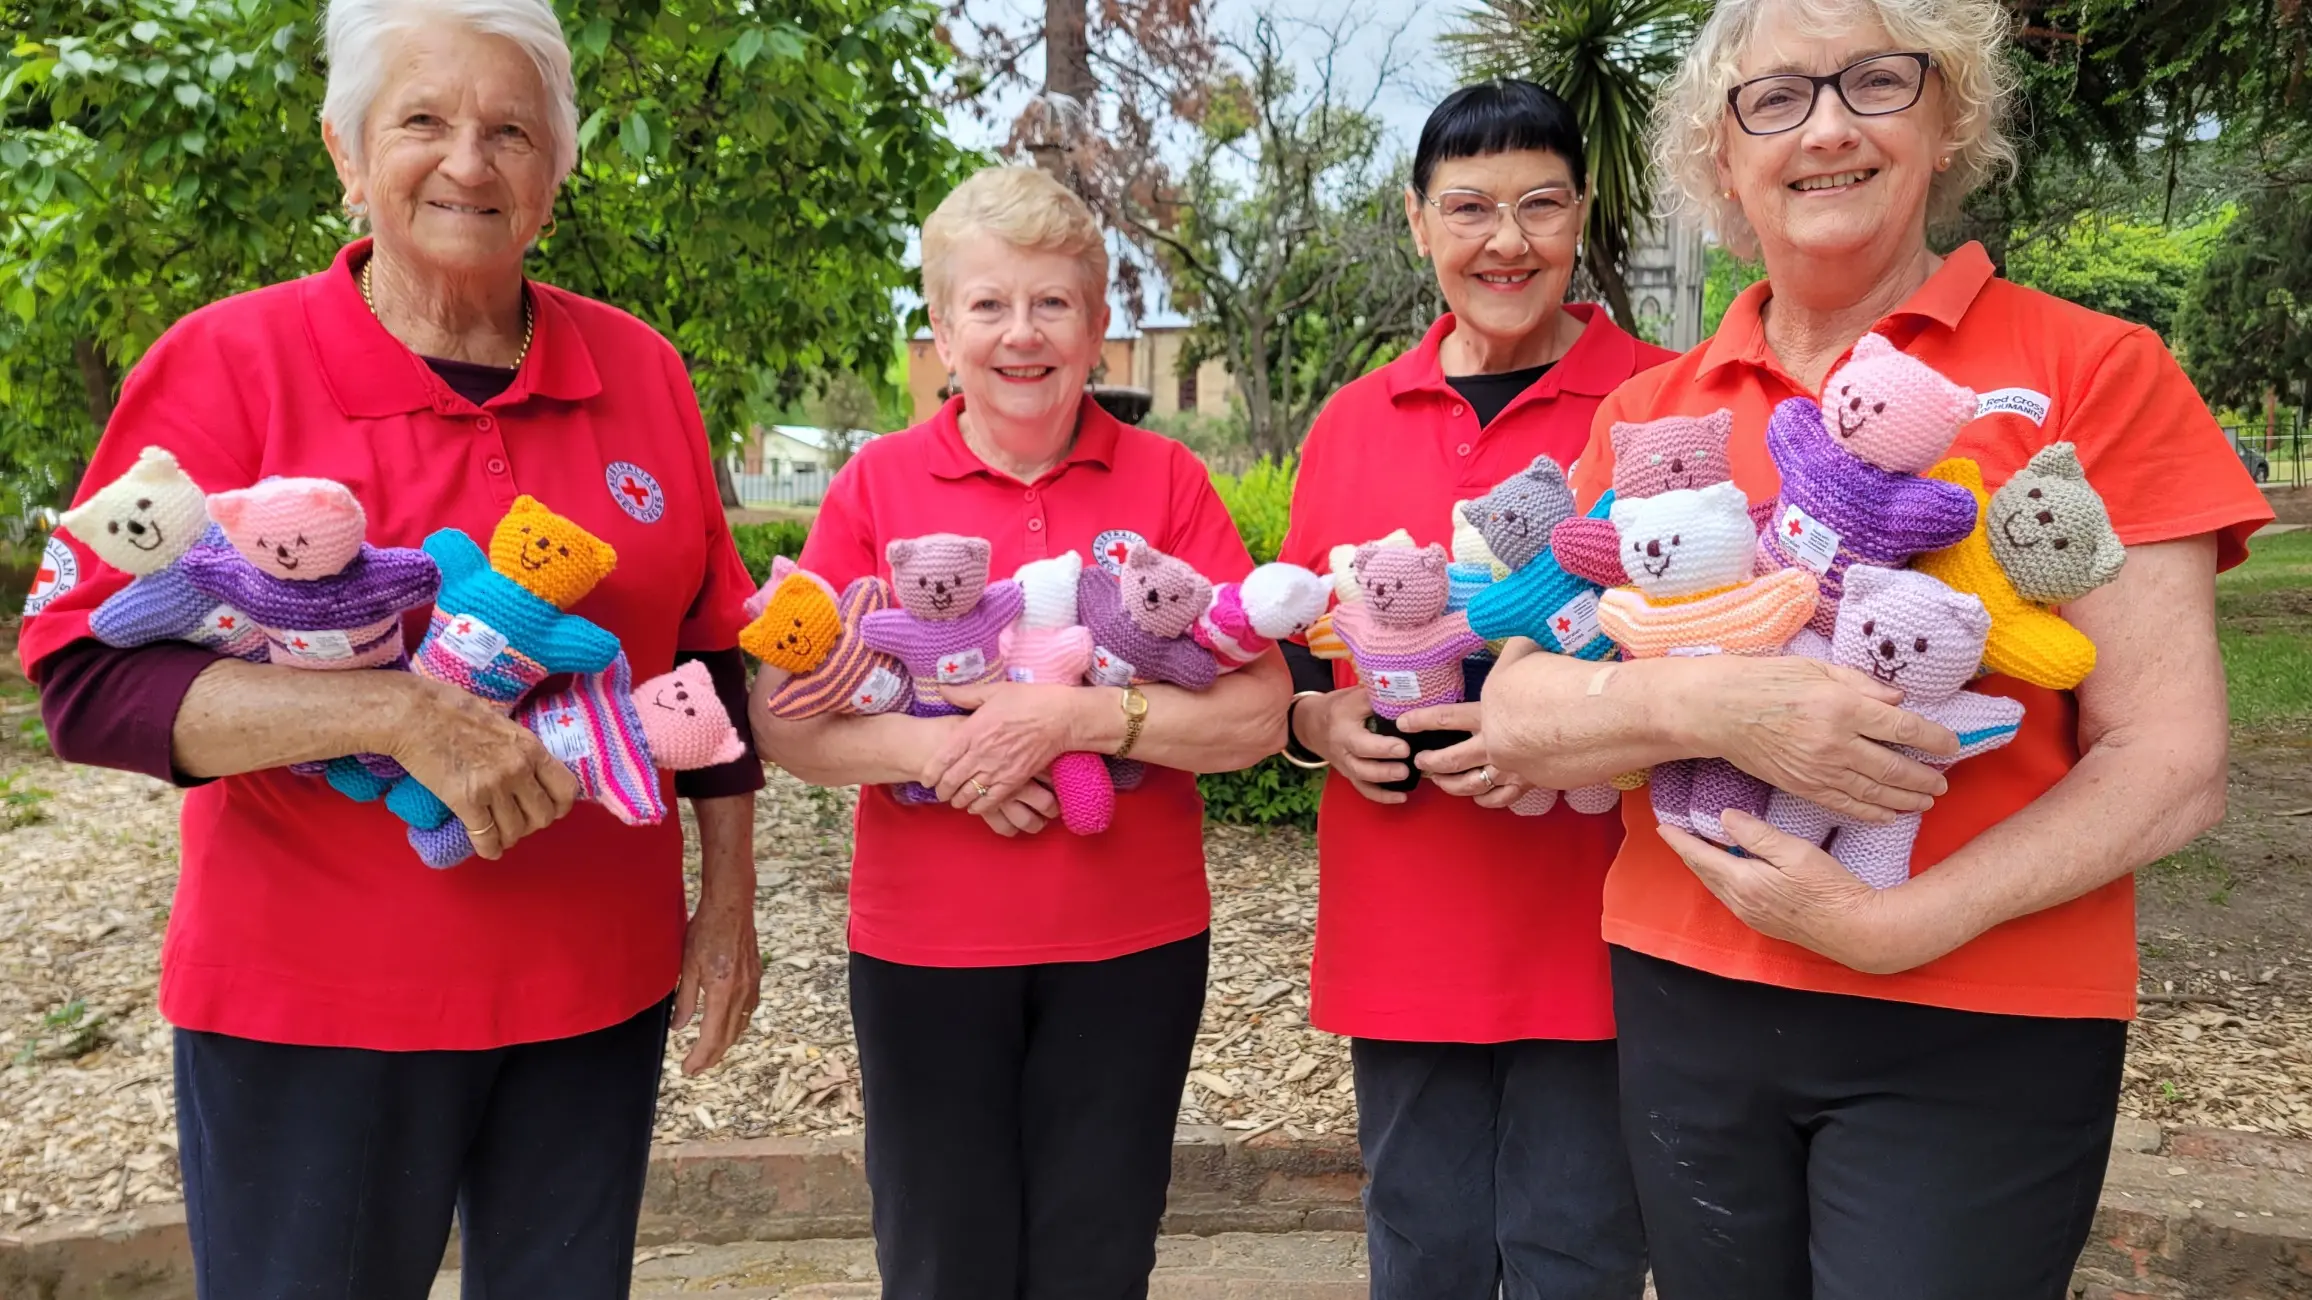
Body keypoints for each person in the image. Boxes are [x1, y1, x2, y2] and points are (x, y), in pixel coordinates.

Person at [1480, 0, 2273, 1296]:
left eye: (1878, 81)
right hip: (1690, 998)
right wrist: (1728, 705)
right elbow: (1519, 709)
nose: (1829, 126)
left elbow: (2172, 759)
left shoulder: (2091, 372)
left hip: (1981, 1011)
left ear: (1949, 114)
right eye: (1776, 99)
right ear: (1723, 159)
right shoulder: (1652, 414)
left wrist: (1902, 923)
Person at [20, 1, 765, 1295]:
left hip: (599, 991)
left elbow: (713, 660)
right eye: (422, 120)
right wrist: (394, 714)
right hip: (316, 1006)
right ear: (347, 152)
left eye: (511, 130)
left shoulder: (642, 370)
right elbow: (86, 678)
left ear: (556, 170)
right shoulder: (227, 363)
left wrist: (732, 906)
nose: (468, 164)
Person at [750, 165, 1290, 1300]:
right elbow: (786, 721)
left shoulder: (1168, 480)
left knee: (1095, 1259)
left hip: (1129, 947)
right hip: (923, 949)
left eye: (1051, 305)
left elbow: (1255, 711)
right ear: (943, 331)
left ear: (1097, 330)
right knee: (942, 1259)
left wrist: (1081, 716)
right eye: (987, 306)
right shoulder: (876, 486)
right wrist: (942, 756)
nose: (1020, 335)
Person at [1274, 80, 1668, 1300]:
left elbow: (1710, 642)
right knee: (1421, 1248)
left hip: (1606, 919)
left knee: (1579, 1252)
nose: (1506, 241)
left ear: (1581, 215)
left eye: (1539, 204)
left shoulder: (1660, 399)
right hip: (1407, 917)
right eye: (1470, 207)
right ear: (1416, 221)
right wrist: (1313, 724)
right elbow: (1299, 653)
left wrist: (1567, 731)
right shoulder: (1350, 421)